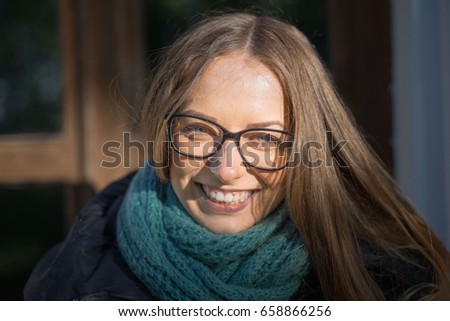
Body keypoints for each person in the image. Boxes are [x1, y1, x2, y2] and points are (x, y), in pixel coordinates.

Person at [24, 12, 450, 300]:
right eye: (197, 131)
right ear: (164, 130)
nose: (226, 170)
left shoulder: (391, 283)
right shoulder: (72, 275)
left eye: (264, 139)